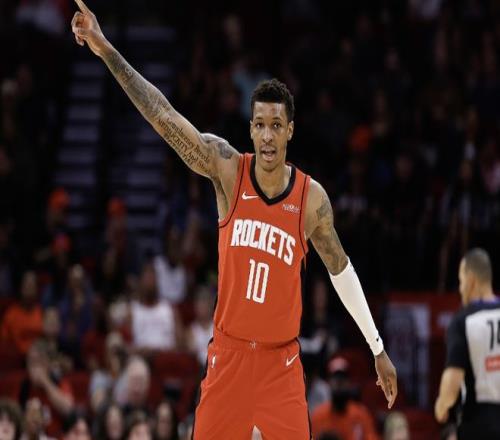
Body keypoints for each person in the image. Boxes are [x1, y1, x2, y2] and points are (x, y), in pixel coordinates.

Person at [70, 2, 397, 438]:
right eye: (260, 124)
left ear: (290, 130)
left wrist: (376, 347)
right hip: (229, 356)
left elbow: (341, 270)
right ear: (251, 128)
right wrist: (106, 49)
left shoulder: (310, 199)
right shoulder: (227, 170)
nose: (267, 135)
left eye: (276, 125)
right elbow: (164, 116)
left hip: (281, 364)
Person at [435, 248, 500, 439]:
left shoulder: (463, 321)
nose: (460, 288)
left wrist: (441, 406)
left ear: (471, 280)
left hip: (479, 425)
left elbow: (452, 384)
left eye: (461, 281)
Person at [311, 356, 380, 440]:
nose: (339, 382)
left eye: (343, 378)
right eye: (335, 378)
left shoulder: (361, 414)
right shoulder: (318, 415)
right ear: (328, 382)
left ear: (349, 382)